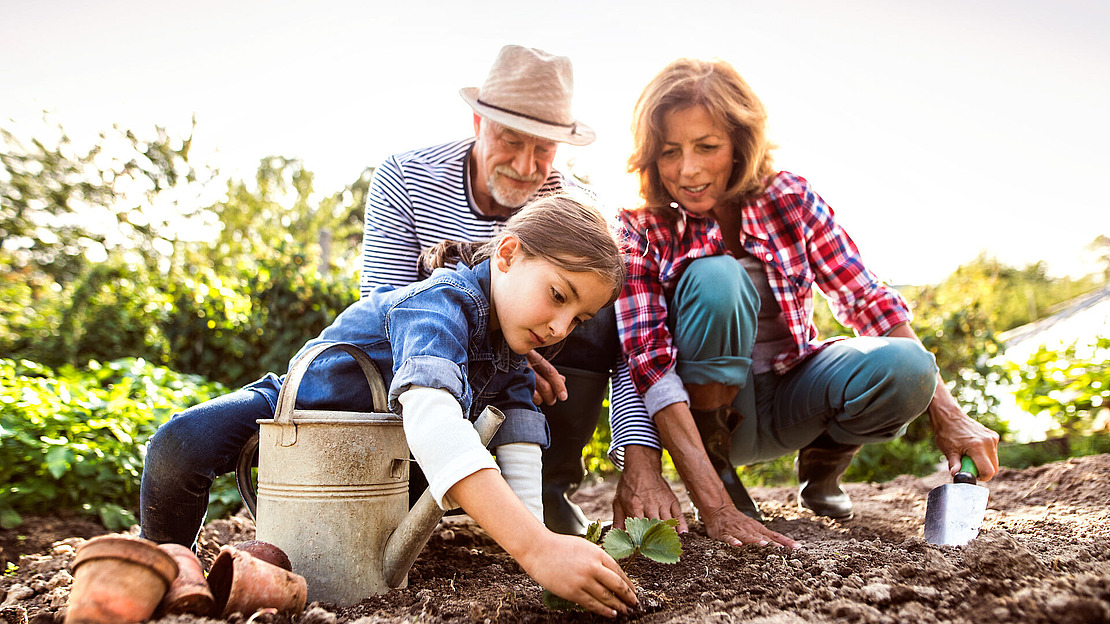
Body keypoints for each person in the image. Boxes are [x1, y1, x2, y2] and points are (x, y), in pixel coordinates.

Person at [140, 194, 638, 616]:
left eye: (578, 319)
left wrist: (537, 541)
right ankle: (164, 567)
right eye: (558, 295)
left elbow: (519, 441)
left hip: (377, 464)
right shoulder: (440, 305)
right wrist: (536, 549)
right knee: (180, 442)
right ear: (507, 254)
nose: (559, 327)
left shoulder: (512, 346)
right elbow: (432, 417)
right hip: (299, 411)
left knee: (432, 483)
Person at [607, 57, 1001, 548]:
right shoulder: (640, 228)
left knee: (910, 367)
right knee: (716, 278)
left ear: (738, 145)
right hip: (707, 420)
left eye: (707, 147)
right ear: (650, 156)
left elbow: (866, 300)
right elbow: (648, 367)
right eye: (670, 152)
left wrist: (950, 415)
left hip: (794, 392)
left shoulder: (789, 197)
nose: (688, 170)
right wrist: (717, 508)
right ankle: (722, 472)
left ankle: (823, 465)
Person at [360, 44, 622, 535]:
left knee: (593, 300)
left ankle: (546, 485)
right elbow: (389, 303)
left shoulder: (567, 202)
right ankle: (411, 479)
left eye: (543, 148)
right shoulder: (406, 177)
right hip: (430, 360)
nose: (526, 166)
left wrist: (635, 456)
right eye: (511, 139)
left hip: (514, 360)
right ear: (479, 125)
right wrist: (511, 355)